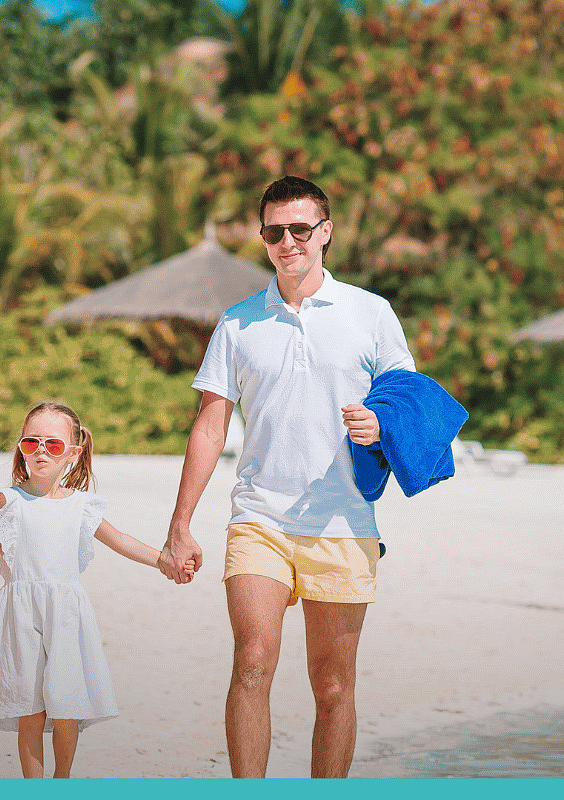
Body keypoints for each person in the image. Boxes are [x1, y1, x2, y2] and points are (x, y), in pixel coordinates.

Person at [158, 176, 415, 778]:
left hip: (344, 520)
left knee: (332, 687)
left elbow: (406, 401)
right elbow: (210, 426)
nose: (288, 241)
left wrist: (379, 425)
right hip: (260, 518)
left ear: (326, 232)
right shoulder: (238, 324)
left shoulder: (370, 313)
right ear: (264, 237)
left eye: (301, 229)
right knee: (252, 661)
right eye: (275, 231)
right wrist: (180, 524)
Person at [0, 401, 166, 778]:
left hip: (66, 617)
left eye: (53, 444)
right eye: (32, 443)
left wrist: (164, 561)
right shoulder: (9, 500)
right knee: (29, 708)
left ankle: (62, 779)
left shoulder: (82, 505)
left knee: (67, 705)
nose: (42, 451)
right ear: (21, 448)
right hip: (20, 615)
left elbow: (123, 541)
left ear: (73, 454)